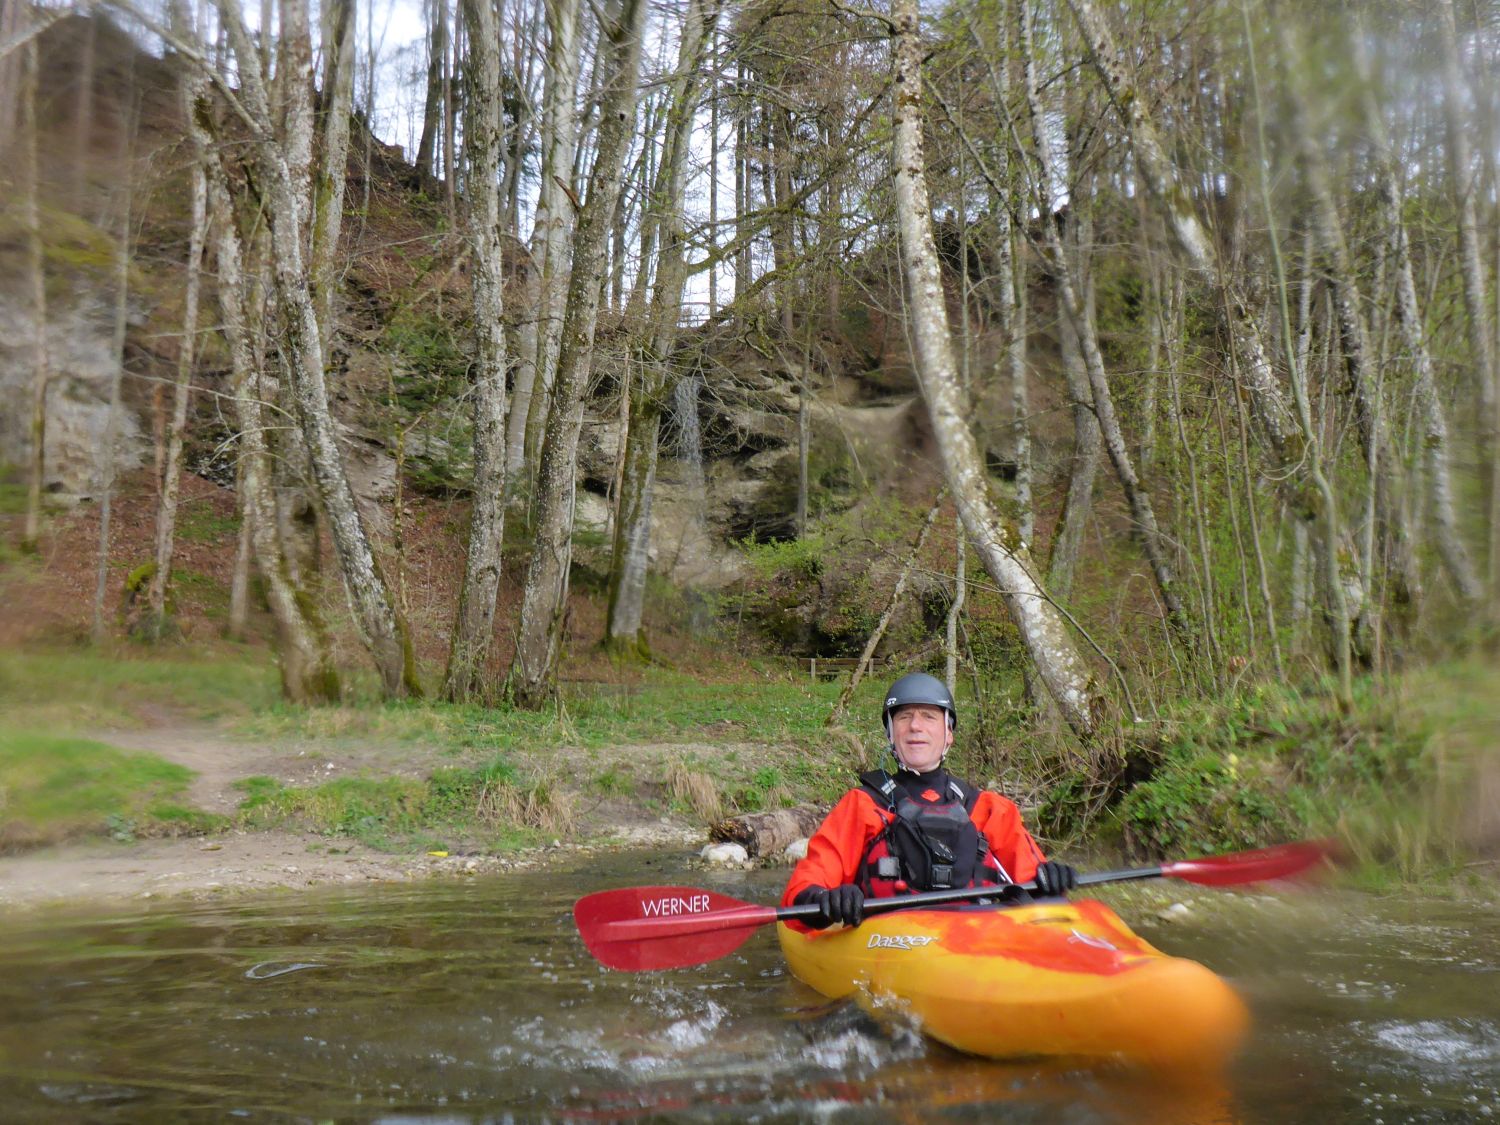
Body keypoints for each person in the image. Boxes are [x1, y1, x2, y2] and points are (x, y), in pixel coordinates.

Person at [782, 672, 1078, 930]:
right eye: (904, 716)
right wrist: (825, 899)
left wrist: (1049, 879)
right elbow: (805, 887)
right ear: (890, 732)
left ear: (948, 734)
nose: (915, 726)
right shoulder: (862, 806)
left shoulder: (988, 809)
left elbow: (1034, 883)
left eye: (929, 716)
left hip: (977, 935)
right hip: (891, 939)